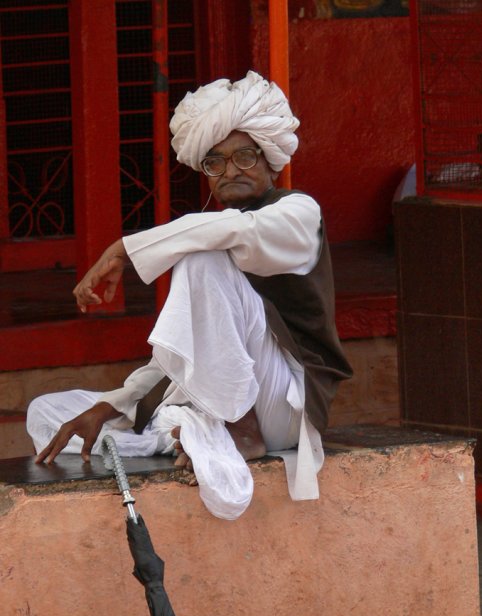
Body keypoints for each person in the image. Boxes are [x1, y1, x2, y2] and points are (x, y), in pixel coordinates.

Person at [27, 71, 352, 519]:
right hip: (235, 390)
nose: (230, 170)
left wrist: (125, 248)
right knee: (49, 411)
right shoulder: (209, 235)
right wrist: (111, 406)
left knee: (201, 258)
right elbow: (179, 355)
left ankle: (236, 430)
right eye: (215, 162)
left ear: (270, 161)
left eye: (243, 156)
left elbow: (239, 229)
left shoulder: (298, 211)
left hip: (283, 404)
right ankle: (194, 432)